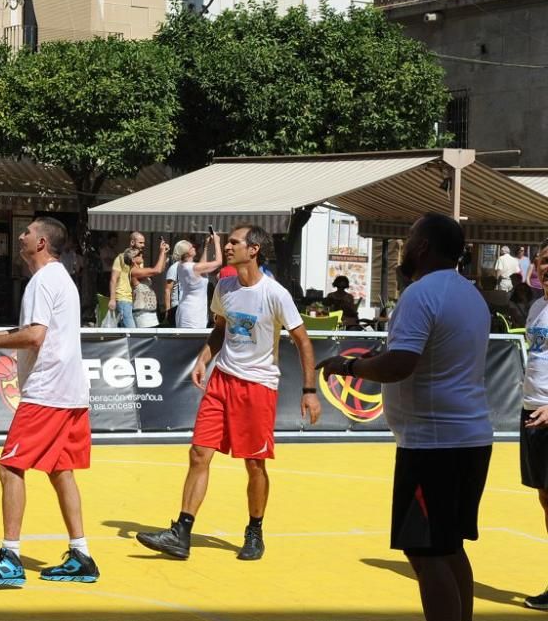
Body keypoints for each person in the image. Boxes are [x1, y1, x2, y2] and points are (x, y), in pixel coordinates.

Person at [317, 212, 492, 621]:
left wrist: (349, 366)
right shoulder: (470, 295)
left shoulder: (421, 293)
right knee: (449, 547)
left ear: (424, 247)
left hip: (434, 444)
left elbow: (400, 365)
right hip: (469, 437)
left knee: (425, 552)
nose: (404, 244)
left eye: (409, 236)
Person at [136, 223, 321, 561]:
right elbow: (220, 330)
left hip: (258, 387)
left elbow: (303, 342)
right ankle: (182, 532)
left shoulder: (275, 293)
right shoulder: (224, 285)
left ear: (254, 250)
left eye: (234, 242)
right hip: (222, 380)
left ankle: (254, 530)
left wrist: (309, 390)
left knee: (254, 464)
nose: (228, 247)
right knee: (198, 454)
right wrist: (203, 359)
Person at [0, 216, 99, 586]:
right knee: (61, 471)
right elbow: (33, 332)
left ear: (42, 242)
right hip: (69, 392)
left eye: (27, 232)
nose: (21, 236)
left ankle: (10, 557)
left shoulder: (43, 280)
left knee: (9, 468)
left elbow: (34, 337)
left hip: (48, 391)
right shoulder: (60, 278)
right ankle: (82, 555)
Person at [520, 238, 548, 610]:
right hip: (533, 411)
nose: (545, 267)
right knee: (545, 500)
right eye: (543, 261)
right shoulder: (537, 308)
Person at [173, 233, 223, 328]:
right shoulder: (195, 267)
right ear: (187, 252)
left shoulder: (181, 266)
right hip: (194, 311)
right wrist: (217, 242)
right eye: (191, 247)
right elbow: (219, 262)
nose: (194, 248)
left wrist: (207, 246)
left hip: (186, 308)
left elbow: (201, 265)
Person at [109, 231, 145, 328]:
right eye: (140, 243)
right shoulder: (121, 258)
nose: (143, 245)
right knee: (131, 331)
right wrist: (112, 299)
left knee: (124, 331)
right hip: (122, 298)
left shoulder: (140, 260)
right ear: (132, 243)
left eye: (144, 243)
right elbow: (113, 279)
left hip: (132, 300)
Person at [128, 245, 168, 328]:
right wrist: (161, 252)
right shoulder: (134, 271)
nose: (142, 255)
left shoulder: (140, 270)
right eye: (139, 255)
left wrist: (164, 253)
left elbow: (161, 269)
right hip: (142, 313)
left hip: (151, 311)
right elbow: (157, 270)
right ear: (132, 259)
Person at [164, 254, 181, 326]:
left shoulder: (192, 266)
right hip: (177, 306)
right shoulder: (174, 268)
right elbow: (167, 290)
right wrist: (168, 310)